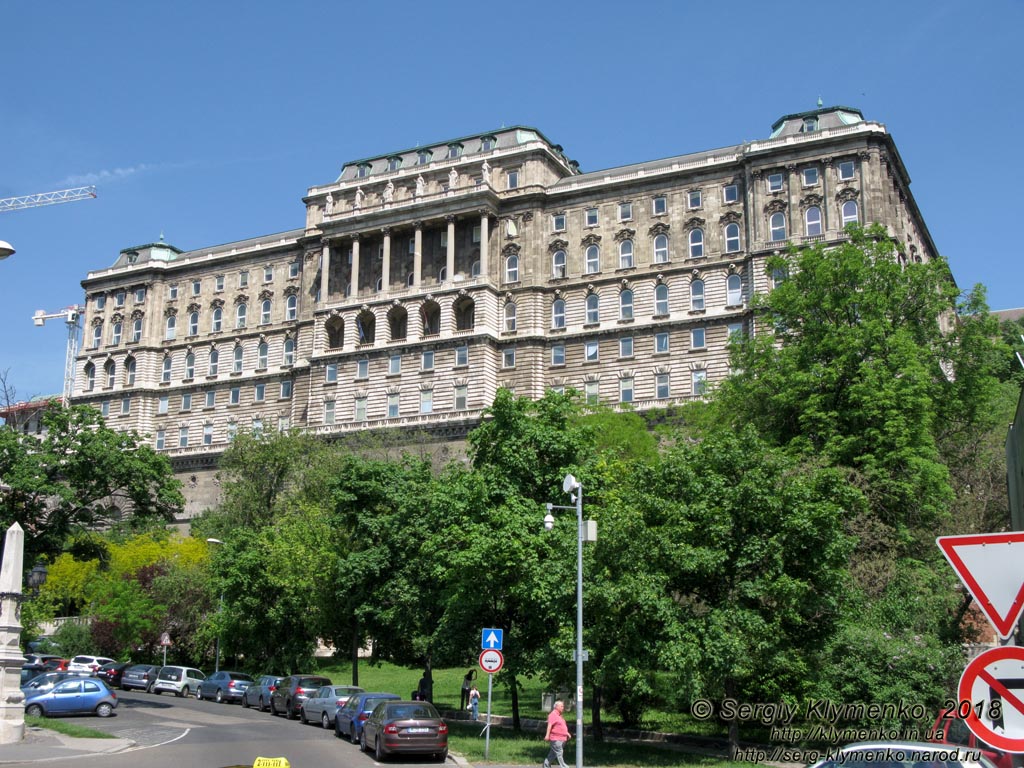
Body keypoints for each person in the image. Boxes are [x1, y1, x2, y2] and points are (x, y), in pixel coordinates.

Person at [542, 699, 571, 768]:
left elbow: (561, 726)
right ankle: (564, 766)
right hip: (556, 738)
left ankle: (546, 765)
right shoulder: (553, 715)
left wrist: (567, 733)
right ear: (556, 707)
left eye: (563, 706)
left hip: (562, 738)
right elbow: (549, 726)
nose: (563, 708)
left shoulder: (559, 716)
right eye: (561, 706)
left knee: (552, 754)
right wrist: (547, 735)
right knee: (559, 753)